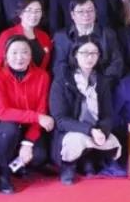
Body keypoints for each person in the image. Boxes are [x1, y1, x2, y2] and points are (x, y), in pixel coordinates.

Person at [50, 36, 124, 184]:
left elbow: (108, 115)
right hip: (71, 131)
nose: (89, 57)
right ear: (75, 54)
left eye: (94, 53)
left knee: (114, 142)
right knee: (77, 141)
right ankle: (68, 165)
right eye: (84, 53)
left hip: (95, 128)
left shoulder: (102, 81)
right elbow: (60, 120)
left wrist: (102, 131)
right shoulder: (62, 80)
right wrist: (90, 130)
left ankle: (88, 158)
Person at [0, 35, 53, 193]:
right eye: (14, 52)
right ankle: (2, 173)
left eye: (24, 52)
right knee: (9, 129)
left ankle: (16, 165)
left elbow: (41, 110)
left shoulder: (42, 76)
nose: (19, 57)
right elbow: (2, 112)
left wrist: (28, 143)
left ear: (31, 55)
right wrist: (37, 117)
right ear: (5, 55)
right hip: (3, 128)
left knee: (39, 156)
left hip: (29, 128)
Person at [51, 0, 126, 88]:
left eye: (90, 10)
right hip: (71, 86)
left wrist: (101, 84)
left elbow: (117, 62)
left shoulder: (108, 34)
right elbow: (59, 66)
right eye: (80, 11)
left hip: (104, 85)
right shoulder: (61, 36)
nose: (86, 14)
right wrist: (76, 84)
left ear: (96, 12)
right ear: (72, 15)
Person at [0, 0, 52, 69]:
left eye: (38, 11)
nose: (34, 15)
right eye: (29, 11)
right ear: (20, 14)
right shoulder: (7, 35)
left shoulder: (44, 36)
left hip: (40, 75)